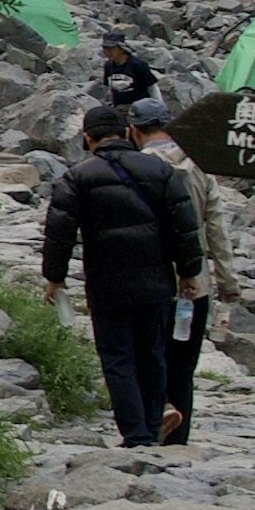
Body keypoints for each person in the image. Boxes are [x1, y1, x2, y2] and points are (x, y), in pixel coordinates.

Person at [39, 108, 182, 453]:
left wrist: (54, 278)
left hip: (106, 282)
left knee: (118, 357)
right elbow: (184, 225)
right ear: (128, 132)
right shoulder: (162, 171)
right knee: (153, 354)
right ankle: (151, 425)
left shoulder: (77, 176)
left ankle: (136, 434)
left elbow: (59, 233)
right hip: (157, 279)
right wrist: (190, 272)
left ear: (88, 138)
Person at [126, 104, 214, 444]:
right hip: (196, 283)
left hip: (153, 279)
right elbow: (216, 226)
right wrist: (229, 282)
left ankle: (152, 426)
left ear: (134, 130)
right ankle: (180, 439)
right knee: (184, 364)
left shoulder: (138, 168)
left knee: (149, 355)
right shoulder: (200, 165)